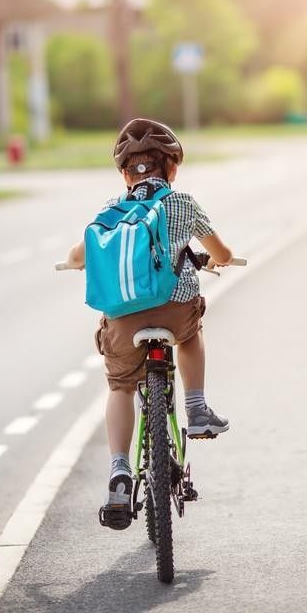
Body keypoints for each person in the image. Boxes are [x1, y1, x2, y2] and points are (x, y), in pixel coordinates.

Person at [65, 118, 235, 529]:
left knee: (121, 385)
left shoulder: (110, 210)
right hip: (176, 311)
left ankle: (120, 468)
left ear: (125, 173)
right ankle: (196, 408)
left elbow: (78, 254)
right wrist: (217, 260)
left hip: (123, 322)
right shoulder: (185, 204)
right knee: (192, 335)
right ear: (172, 168)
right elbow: (222, 252)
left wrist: (75, 261)